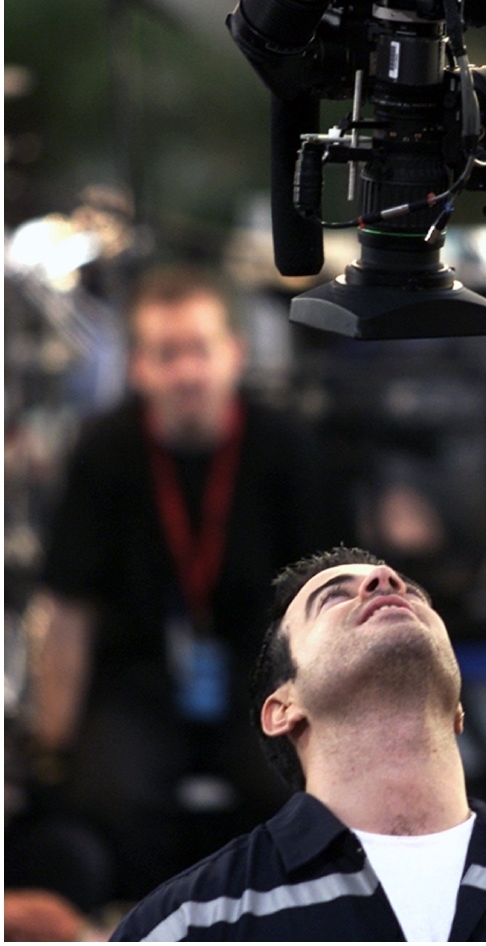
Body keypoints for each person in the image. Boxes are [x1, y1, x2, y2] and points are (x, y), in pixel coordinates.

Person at [111, 546, 486, 942]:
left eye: (409, 589)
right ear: (283, 710)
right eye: (332, 598)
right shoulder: (191, 926)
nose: (385, 583)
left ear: (459, 708)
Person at [19, 264, 336, 904]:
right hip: (138, 678)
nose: (187, 372)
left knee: (291, 787)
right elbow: (69, 609)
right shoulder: (105, 449)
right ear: (138, 368)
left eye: (200, 351)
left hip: (268, 672)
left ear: (235, 356)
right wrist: (51, 749)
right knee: (106, 794)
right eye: (167, 355)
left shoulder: (288, 448)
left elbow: (332, 597)